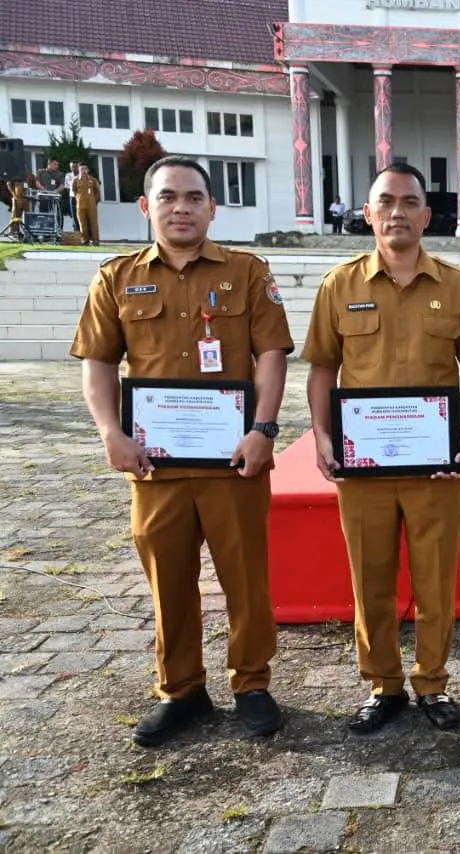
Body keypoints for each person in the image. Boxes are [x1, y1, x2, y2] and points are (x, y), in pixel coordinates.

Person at [69, 155, 293, 746]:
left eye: (194, 197)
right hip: (156, 465)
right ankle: (182, 690)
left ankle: (251, 684)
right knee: (168, 579)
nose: (181, 207)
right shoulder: (116, 277)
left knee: (246, 577)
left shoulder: (246, 273)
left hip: (234, 462)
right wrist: (109, 433)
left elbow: (272, 353)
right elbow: (97, 361)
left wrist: (264, 429)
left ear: (212, 208)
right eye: (168, 197)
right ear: (147, 206)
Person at [302, 163, 460, 733]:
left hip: (434, 467)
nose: (397, 212)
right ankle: (383, 684)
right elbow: (321, 367)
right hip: (364, 469)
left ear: (427, 216)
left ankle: (432, 682)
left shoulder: (456, 288)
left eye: (410, 202)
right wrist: (321, 434)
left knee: (436, 579)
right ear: (367, 213)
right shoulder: (339, 285)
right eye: (385, 201)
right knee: (372, 577)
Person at [73, 164, 102, 246]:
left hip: (91, 204)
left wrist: (95, 201)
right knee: (82, 223)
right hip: (80, 204)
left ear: (88, 170)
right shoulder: (75, 180)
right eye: (81, 169)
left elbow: (97, 191)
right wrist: (78, 199)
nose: (83, 171)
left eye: (85, 169)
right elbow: (74, 190)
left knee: (93, 223)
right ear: (79, 170)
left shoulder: (93, 180)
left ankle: (95, 240)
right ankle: (85, 240)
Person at [64, 162, 78, 232]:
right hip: (72, 198)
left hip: (81, 198)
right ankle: (76, 232)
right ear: (70, 167)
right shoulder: (68, 175)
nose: (74, 168)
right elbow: (67, 187)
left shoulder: (82, 176)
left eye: (76, 166)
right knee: (74, 216)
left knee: (81, 216)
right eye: (73, 166)